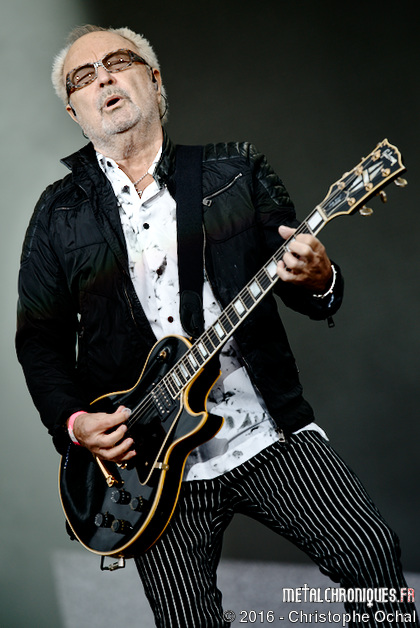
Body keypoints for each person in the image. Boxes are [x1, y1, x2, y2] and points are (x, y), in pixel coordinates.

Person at [16, 24, 417, 628]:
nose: (103, 77)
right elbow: (39, 342)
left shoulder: (235, 169)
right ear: (74, 111)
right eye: (83, 76)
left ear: (154, 80)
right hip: (148, 466)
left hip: (263, 430)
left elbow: (305, 285)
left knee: (373, 560)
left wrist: (320, 277)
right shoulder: (57, 213)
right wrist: (75, 425)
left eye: (118, 61)